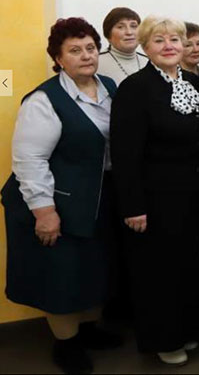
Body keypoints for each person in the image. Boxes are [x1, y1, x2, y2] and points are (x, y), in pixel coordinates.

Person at [2, 18, 122, 374]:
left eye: (89, 48)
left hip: (97, 197)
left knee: (93, 268)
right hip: (54, 202)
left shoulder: (110, 87)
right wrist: (45, 212)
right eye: (74, 50)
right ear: (58, 57)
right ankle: (66, 346)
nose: (85, 56)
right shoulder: (44, 100)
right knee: (61, 276)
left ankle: (87, 332)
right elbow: (29, 160)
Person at [110, 16, 199, 366]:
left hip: (188, 193)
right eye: (159, 40)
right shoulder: (135, 88)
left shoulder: (191, 82)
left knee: (187, 265)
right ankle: (164, 339)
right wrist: (133, 205)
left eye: (175, 40)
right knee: (159, 272)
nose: (169, 46)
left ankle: (188, 328)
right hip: (154, 196)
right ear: (146, 47)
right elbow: (124, 153)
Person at [98, 7, 149, 85]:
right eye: (120, 27)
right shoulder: (96, 63)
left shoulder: (149, 62)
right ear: (108, 34)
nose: (129, 32)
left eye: (133, 26)